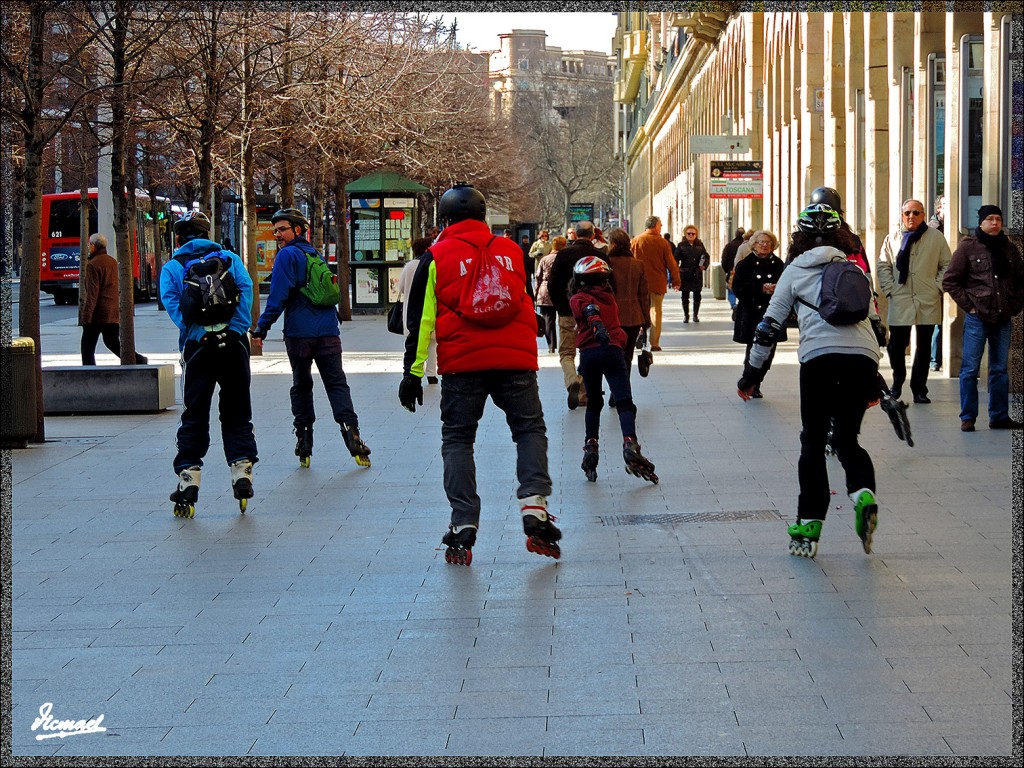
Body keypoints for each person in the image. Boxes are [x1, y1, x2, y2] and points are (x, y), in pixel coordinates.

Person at [398, 183, 561, 565]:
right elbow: (521, 297)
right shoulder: (511, 250)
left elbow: (421, 320)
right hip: (515, 360)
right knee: (529, 429)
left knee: (458, 439)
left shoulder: (435, 257)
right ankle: (534, 504)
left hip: (463, 364)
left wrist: (413, 372)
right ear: (483, 216)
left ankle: (463, 522)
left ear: (445, 220)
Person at [738, 204, 883, 559]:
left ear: (798, 238)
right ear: (841, 237)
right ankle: (863, 494)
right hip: (863, 359)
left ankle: (809, 523)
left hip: (819, 358)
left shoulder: (793, 271)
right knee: (847, 439)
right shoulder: (854, 270)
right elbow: (877, 326)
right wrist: (874, 376)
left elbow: (768, 327)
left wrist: (751, 375)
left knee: (813, 443)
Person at [250, 208, 372, 469]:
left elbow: (277, 297)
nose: (277, 235)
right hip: (328, 332)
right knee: (337, 384)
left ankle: (304, 441)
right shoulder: (314, 254)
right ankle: (353, 436)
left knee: (301, 385)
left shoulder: (287, 255)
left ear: (297, 229)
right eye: (275, 230)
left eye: (282, 229)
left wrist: (262, 327)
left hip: (299, 335)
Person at [159, 210, 258, 518]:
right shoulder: (230, 259)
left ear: (178, 238)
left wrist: (198, 334)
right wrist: (236, 329)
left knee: (194, 413)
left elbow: (175, 307)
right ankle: (242, 472)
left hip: (198, 349)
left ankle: (188, 480)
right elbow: (247, 293)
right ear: (207, 233)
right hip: (234, 347)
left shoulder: (172, 267)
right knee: (237, 410)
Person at [570, 256, 658, 485]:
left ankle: (591, 446)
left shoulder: (577, 298)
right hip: (612, 351)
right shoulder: (609, 297)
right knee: (624, 402)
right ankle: (630, 443)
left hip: (589, 355)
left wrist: (595, 324)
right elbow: (593, 312)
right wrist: (598, 326)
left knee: (594, 404)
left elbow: (588, 309)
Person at [942, 205, 1024, 432]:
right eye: (990, 219)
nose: (995, 223)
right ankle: (968, 417)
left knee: (999, 369)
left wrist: (1014, 305)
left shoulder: (1009, 248)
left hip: (1002, 317)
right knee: (970, 369)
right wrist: (970, 307)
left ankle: (999, 416)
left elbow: (1020, 280)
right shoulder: (968, 247)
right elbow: (950, 281)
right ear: (981, 222)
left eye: (998, 219)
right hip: (977, 318)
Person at [876, 198, 952, 403]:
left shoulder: (936, 238)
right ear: (902, 216)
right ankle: (898, 381)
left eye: (916, 213)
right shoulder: (892, 238)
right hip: (900, 297)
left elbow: (947, 265)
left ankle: (919, 389)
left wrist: (937, 287)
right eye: (907, 213)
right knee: (896, 346)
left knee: (924, 346)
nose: (911, 216)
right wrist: (890, 289)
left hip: (927, 298)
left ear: (923, 215)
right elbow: (883, 265)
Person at [548, 220, 609, 410]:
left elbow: (552, 283)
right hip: (592, 312)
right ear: (593, 235)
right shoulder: (600, 256)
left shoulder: (563, 255)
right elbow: (609, 285)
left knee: (567, 352)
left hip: (567, 310)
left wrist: (560, 305)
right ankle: (583, 393)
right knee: (587, 350)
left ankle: (571, 379)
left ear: (574, 234)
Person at [731, 230, 786, 398]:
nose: (764, 245)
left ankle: (757, 381)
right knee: (753, 349)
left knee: (769, 351)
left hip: (772, 312)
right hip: (751, 313)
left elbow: (787, 286)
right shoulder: (745, 264)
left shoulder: (778, 264)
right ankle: (750, 382)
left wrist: (776, 288)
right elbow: (738, 289)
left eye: (768, 242)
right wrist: (760, 288)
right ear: (754, 244)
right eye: (761, 242)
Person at [79, 233, 147, 365]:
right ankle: (138, 359)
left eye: (89, 245)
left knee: (87, 347)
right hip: (113, 311)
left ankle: (89, 371)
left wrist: (86, 317)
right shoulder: (113, 262)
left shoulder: (93, 265)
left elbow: (92, 294)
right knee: (112, 342)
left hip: (98, 313)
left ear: (94, 246)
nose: (88, 248)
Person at [605, 227, 650, 378]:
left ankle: (615, 386)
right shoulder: (638, 264)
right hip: (633, 317)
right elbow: (643, 295)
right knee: (627, 355)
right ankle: (624, 385)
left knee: (612, 353)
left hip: (611, 317)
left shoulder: (606, 265)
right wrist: (646, 319)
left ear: (613, 245)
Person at [630, 215, 680, 352]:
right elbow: (671, 263)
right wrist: (676, 280)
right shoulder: (662, 242)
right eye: (660, 225)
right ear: (656, 226)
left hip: (639, 283)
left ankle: (641, 333)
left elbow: (630, 261)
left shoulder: (636, 241)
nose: (661, 227)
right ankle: (654, 342)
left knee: (640, 310)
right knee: (656, 312)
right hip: (657, 283)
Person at [396, 238, 438, 382]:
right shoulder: (432, 264)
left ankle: (413, 371)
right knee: (432, 343)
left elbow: (401, 288)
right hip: (429, 308)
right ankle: (431, 374)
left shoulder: (409, 266)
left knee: (412, 342)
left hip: (411, 310)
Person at [534, 235, 565, 354]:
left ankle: (551, 346)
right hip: (562, 290)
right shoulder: (565, 259)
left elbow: (538, 277)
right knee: (564, 320)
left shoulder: (545, 259)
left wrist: (536, 293)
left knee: (548, 319)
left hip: (545, 290)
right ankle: (563, 344)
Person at [674, 225, 710, 323]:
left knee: (697, 295)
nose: (691, 235)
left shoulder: (700, 245)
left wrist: (704, 265)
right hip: (685, 273)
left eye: (693, 233)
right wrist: (676, 269)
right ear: (685, 234)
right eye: (689, 233)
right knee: (685, 296)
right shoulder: (681, 245)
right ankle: (686, 315)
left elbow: (706, 256)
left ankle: (695, 315)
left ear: (696, 235)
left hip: (696, 273)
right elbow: (675, 258)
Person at [928, 195, 946, 371]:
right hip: (934, 282)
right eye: (945, 205)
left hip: (941, 281)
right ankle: (934, 359)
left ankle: (935, 359)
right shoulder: (933, 229)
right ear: (939, 208)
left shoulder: (947, 227)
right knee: (937, 324)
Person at [721, 227, 745, 311]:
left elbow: (724, 260)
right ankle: (742, 303)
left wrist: (727, 270)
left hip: (732, 271)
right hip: (744, 272)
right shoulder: (747, 246)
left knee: (731, 289)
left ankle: (733, 304)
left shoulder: (729, 245)